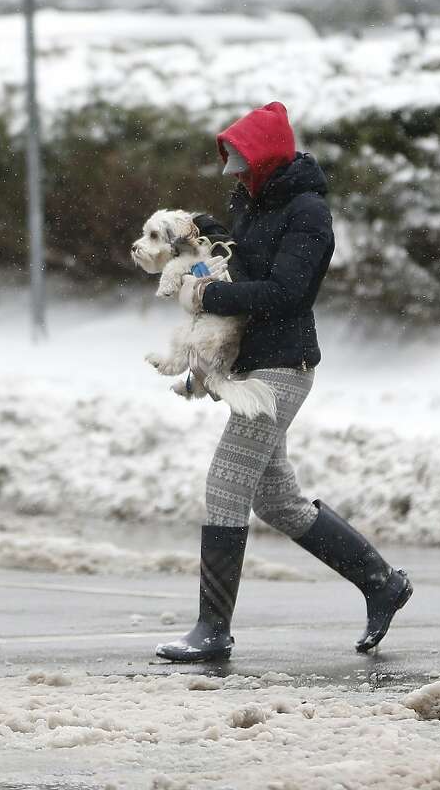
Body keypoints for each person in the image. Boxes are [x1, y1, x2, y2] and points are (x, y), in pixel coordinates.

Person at [155, 101, 413, 663]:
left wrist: (212, 296)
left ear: (267, 160)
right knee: (277, 499)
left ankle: (212, 629)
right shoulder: (250, 200)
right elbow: (246, 264)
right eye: (233, 168)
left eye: (244, 165)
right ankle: (383, 584)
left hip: (285, 366)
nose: (238, 176)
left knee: (226, 483)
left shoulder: (308, 212)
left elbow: (289, 291)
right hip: (249, 364)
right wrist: (208, 241)